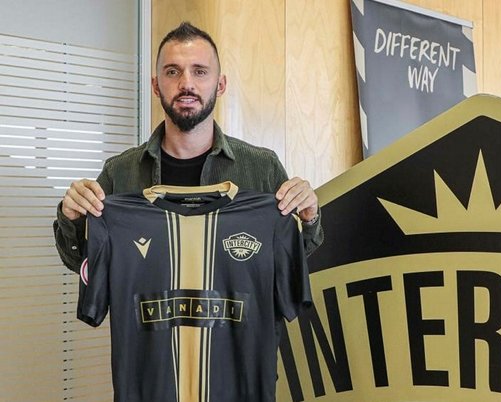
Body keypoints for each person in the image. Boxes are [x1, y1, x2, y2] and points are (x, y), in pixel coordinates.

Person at [53, 22, 323, 273]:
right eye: (172, 72)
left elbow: (291, 265)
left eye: (200, 71)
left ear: (220, 85)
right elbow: (84, 265)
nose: (186, 84)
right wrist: (72, 218)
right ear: (156, 86)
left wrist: (309, 218)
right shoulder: (119, 172)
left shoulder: (263, 168)